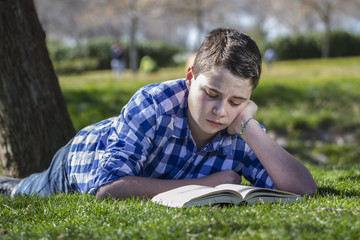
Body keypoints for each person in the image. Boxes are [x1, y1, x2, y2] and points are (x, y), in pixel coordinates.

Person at [0, 28, 317, 199]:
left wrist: (249, 126)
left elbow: (304, 190)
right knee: (27, 191)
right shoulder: (153, 103)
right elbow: (107, 189)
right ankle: (11, 184)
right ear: (190, 77)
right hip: (80, 164)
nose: (221, 111)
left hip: (136, 173)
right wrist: (209, 184)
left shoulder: (240, 125)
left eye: (237, 100)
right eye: (211, 94)